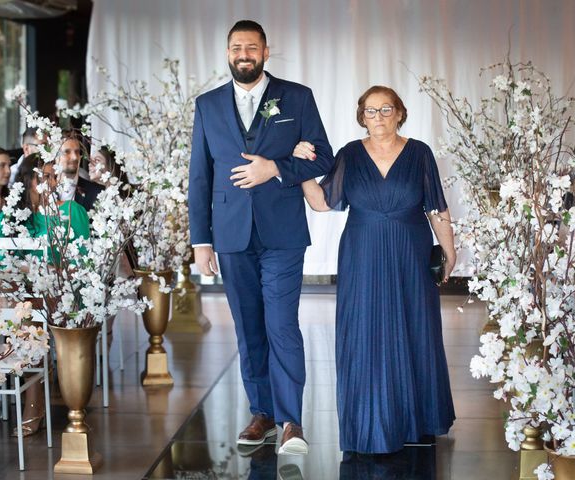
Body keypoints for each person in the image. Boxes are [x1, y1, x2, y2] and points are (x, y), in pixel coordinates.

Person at [188, 20, 334, 455]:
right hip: (231, 234)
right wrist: (201, 241)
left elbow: (323, 155)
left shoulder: (297, 97)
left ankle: (291, 421)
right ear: (228, 53)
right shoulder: (208, 105)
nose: (244, 54)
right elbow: (200, 176)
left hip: (283, 233)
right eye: (237, 47)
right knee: (249, 328)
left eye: (252, 47)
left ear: (266, 52)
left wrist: (276, 167)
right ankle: (262, 413)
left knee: (281, 325)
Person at [293, 85, 456, 454]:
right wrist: (301, 169)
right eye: (371, 111)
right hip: (362, 251)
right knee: (364, 328)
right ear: (361, 116)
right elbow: (321, 202)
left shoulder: (419, 153)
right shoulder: (350, 154)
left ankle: (419, 420)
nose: (378, 117)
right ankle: (369, 421)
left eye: (386, 109)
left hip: (411, 250)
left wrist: (449, 248)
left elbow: (436, 206)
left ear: (400, 112)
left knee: (416, 325)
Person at [0, 153, 90, 437]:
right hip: (21, 299)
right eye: (43, 177)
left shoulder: (66, 214)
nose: (50, 183)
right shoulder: (11, 216)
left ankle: (34, 397)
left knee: (28, 306)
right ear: (27, 181)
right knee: (17, 298)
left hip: (62, 296)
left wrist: (44, 270)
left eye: (53, 177)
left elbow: (77, 264)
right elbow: (4, 263)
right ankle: (36, 388)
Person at [56, 130, 103, 211]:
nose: (75, 157)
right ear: (55, 156)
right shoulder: (43, 190)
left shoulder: (98, 193)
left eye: (77, 152)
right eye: (67, 152)